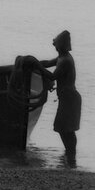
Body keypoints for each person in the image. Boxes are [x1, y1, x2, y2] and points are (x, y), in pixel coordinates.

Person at [36, 30, 81, 165]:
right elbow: (48, 62)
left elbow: (52, 76)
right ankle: (70, 156)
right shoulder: (62, 57)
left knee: (66, 128)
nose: (54, 46)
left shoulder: (65, 60)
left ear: (60, 46)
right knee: (63, 127)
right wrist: (35, 62)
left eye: (56, 44)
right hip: (67, 98)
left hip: (70, 99)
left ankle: (71, 153)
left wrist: (36, 67)